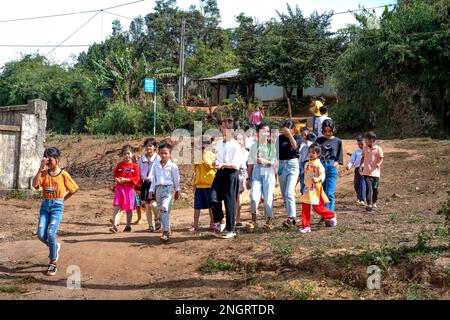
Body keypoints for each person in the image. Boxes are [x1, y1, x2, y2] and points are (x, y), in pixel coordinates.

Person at [32, 147, 79, 276]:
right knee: (41, 234)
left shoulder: (63, 174)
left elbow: (74, 189)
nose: (47, 162)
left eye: (50, 159)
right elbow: (35, 185)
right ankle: (55, 247)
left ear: (57, 160)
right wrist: (40, 169)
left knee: (51, 234)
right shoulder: (44, 173)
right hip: (45, 206)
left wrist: (62, 200)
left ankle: (53, 262)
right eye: (45, 159)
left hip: (57, 207)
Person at [210, 118, 243, 239]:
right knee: (213, 198)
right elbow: (217, 158)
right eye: (222, 126)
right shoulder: (219, 143)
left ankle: (231, 229)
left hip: (231, 174)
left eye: (224, 127)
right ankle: (221, 220)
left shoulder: (235, 145)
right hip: (220, 174)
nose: (222, 129)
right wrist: (215, 162)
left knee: (230, 202)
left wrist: (223, 164)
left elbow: (236, 164)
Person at [299, 143, 337, 233]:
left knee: (317, 207)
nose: (311, 154)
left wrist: (318, 179)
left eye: (313, 152)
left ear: (318, 154)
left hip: (316, 189)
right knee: (305, 206)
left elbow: (323, 174)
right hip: (307, 188)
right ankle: (306, 226)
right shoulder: (307, 164)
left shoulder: (318, 164)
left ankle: (331, 215)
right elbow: (305, 175)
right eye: (309, 152)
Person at [246, 122, 277, 231]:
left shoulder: (272, 146)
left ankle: (269, 221)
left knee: (268, 199)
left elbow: (274, 163)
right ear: (258, 133)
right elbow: (250, 164)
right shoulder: (254, 146)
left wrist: (265, 161)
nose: (266, 133)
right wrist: (248, 178)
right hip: (257, 171)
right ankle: (254, 220)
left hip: (268, 172)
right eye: (263, 130)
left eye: (268, 131)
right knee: (254, 197)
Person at [149, 143, 181, 242]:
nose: (163, 155)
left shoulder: (173, 166)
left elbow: (176, 179)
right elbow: (154, 178)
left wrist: (177, 190)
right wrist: (151, 190)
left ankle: (165, 232)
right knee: (161, 210)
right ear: (158, 153)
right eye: (161, 153)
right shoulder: (156, 165)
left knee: (164, 208)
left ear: (170, 154)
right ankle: (167, 228)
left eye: (166, 153)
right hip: (158, 189)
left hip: (168, 189)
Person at [276, 119, 302, 228]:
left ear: (292, 129)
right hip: (282, 165)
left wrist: (290, 135)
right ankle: (289, 216)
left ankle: (292, 218)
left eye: (287, 128)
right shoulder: (279, 138)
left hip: (292, 165)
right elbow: (276, 153)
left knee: (289, 192)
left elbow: (295, 147)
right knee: (284, 193)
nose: (285, 130)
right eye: (284, 128)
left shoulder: (297, 137)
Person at [110, 145, 140, 233]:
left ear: (132, 154)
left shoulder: (135, 166)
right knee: (117, 207)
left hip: (129, 189)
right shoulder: (119, 165)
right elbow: (115, 174)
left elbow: (136, 178)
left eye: (128, 153)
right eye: (124, 154)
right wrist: (116, 179)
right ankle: (114, 226)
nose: (127, 156)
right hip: (119, 189)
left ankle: (128, 226)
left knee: (129, 209)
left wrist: (126, 180)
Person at [315, 119, 343, 212]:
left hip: (331, 166)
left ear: (333, 129)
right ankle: (324, 213)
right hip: (320, 167)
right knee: (321, 192)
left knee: (329, 192)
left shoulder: (338, 141)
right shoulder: (319, 140)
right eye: (325, 131)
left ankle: (329, 215)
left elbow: (339, 156)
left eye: (329, 131)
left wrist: (336, 163)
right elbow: (314, 154)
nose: (327, 133)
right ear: (322, 130)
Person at [189, 136, 216, 232]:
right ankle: (195, 225)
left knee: (211, 206)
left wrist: (203, 155)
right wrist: (194, 184)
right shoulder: (197, 156)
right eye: (200, 145)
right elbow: (195, 169)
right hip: (199, 185)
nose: (202, 147)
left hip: (209, 184)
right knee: (197, 206)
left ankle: (213, 223)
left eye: (204, 145)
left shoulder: (212, 155)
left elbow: (209, 166)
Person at [138, 138, 161, 232]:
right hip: (145, 184)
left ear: (154, 147)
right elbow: (138, 171)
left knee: (153, 204)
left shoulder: (158, 158)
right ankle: (150, 226)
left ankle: (157, 219)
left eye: (150, 146)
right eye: (147, 146)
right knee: (147, 206)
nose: (148, 148)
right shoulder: (141, 159)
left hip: (154, 183)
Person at [359, 131, 384, 212]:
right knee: (368, 188)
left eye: (366, 140)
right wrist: (360, 166)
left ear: (372, 140)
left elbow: (381, 158)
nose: (365, 141)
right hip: (366, 172)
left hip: (375, 173)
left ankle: (374, 202)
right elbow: (363, 157)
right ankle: (369, 204)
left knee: (375, 189)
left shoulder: (378, 149)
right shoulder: (365, 148)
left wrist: (379, 164)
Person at [345, 136, 366, 206]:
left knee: (362, 183)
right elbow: (351, 160)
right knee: (356, 184)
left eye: (361, 144)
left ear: (365, 143)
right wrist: (348, 166)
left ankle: (362, 199)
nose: (360, 146)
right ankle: (359, 197)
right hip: (357, 169)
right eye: (359, 144)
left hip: (365, 169)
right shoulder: (356, 152)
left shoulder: (368, 151)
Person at [234, 132, 249, 227]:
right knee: (233, 197)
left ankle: (237, 219)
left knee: (238, 197)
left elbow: (249, 165)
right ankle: (233, 218)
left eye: (240, 139)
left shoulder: (246, 152)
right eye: (237, 139)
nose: (238, 141)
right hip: (232, 173)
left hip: (241, 173)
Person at [298, 128, 316, 194]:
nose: (303, 137)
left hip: (310, 163)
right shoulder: (301, 145)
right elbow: (300, 157)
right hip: (303, 165)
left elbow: (311, 146)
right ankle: (303, 194)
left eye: (305, 135)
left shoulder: (312, 143)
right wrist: (299, 167)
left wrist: (308, 139)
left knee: (310, 181)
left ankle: (309, 196)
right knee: (303, 181)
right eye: (302, 135)